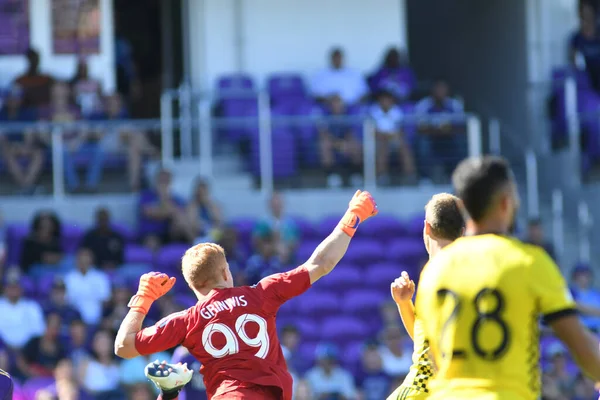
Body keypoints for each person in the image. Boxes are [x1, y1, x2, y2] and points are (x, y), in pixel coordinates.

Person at [114, 190, 378, 400]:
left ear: (193, 285)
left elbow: (123, 347)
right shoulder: (262, 293)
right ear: (226, 272)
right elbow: (321, 263)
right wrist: (352, 216)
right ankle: (170, 392)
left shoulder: (186, 321)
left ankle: (170, 393)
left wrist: (144, 299)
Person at [415, 155, 600, 399]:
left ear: (463, 207)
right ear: (506, 203)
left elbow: (432, 357)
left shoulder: (434, 272)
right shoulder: (530, 262)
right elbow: (579, 345)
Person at [387, 192, 465, 399]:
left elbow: (432, 356)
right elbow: (426, 341)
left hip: (423, 391)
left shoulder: (439, 273)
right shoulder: (452, 270)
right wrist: (405, 304)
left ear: (427, 228)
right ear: (463, 231)